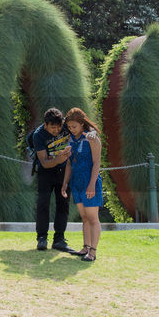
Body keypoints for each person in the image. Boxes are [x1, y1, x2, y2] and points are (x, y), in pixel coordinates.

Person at [60, 107, 103, 262]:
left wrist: (91, 185)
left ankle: (93, 252)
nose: (71, 130)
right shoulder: (71, 139)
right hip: (76, 183)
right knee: (84, 217)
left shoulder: (92, 138)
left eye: (74, 127)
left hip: (89, 182)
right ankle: (85, 247)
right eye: (69, 127)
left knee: (93, 218)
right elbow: (70, 164)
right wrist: (65, 183)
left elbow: (97, 162)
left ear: (82, 124)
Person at [30, 107, 73, 252]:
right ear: (45, 124)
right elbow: (44, 162)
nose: (57, 130)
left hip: (65, 171)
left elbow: (83, 125)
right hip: (46, 172)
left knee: (63, 204)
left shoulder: (67, 126)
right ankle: (42, 238)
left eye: (59, 127)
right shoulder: (38, 135)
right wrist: (59, 158)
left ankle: (59, 239)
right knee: (43, 203)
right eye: (53, 128)